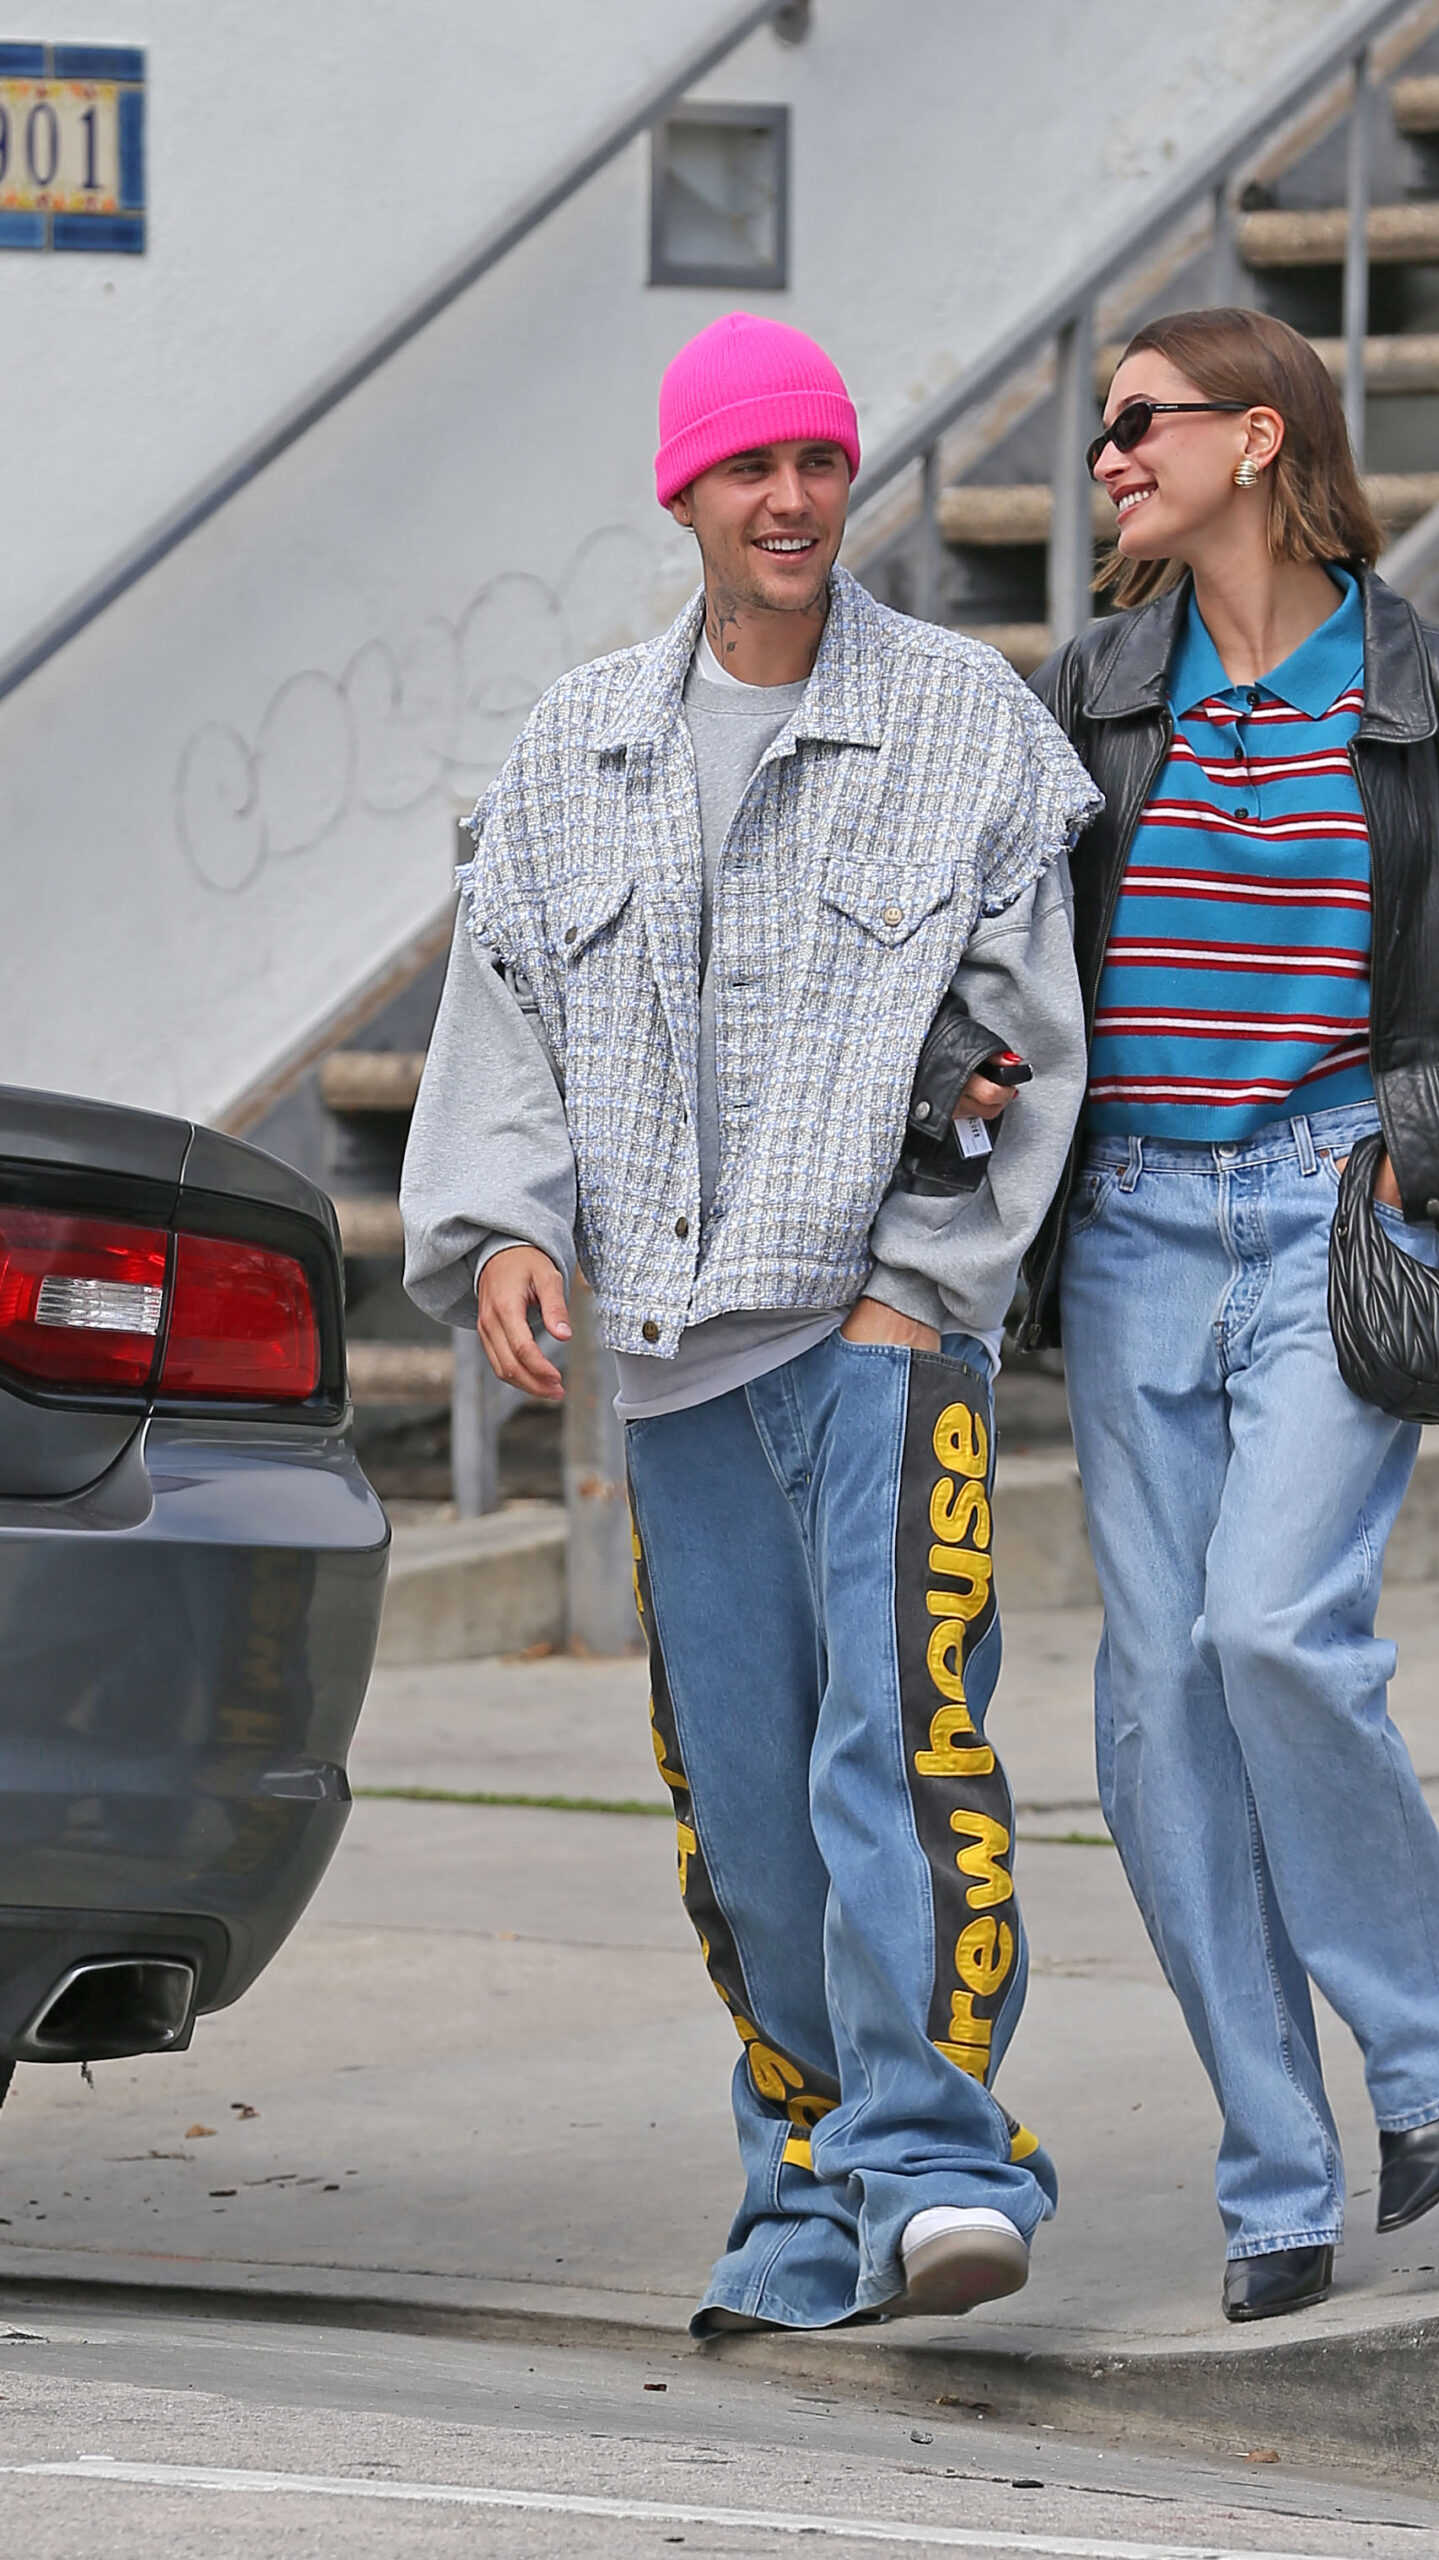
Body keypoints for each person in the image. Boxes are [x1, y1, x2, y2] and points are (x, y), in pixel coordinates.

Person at [402, 312, 1099, 2334]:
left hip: (871, 1331)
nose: (791, 500)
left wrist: (920, 1290)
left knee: (902, 1747)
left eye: (818, 462)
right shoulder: (579, 744)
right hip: (675, 1365)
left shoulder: (963, 725)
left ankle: (942, 2160)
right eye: (749, 470)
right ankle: (803, 2179)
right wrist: (508, 1229)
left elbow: (1020, 1035)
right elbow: (506, 1009)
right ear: (685, 495)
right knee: (737, 1788)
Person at [1021, 307, 1439, 2324]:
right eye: (1101, 431)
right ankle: (1273, 2172)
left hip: (1325, 1221)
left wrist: (1417, 1139)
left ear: (1258, 435)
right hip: (1130, 1229)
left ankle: (1426, 2049)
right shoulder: (1090, 702)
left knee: (1271, 1624)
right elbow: (988, 954)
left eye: (1139, 422)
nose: (1108, 455)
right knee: (1158, 1705)